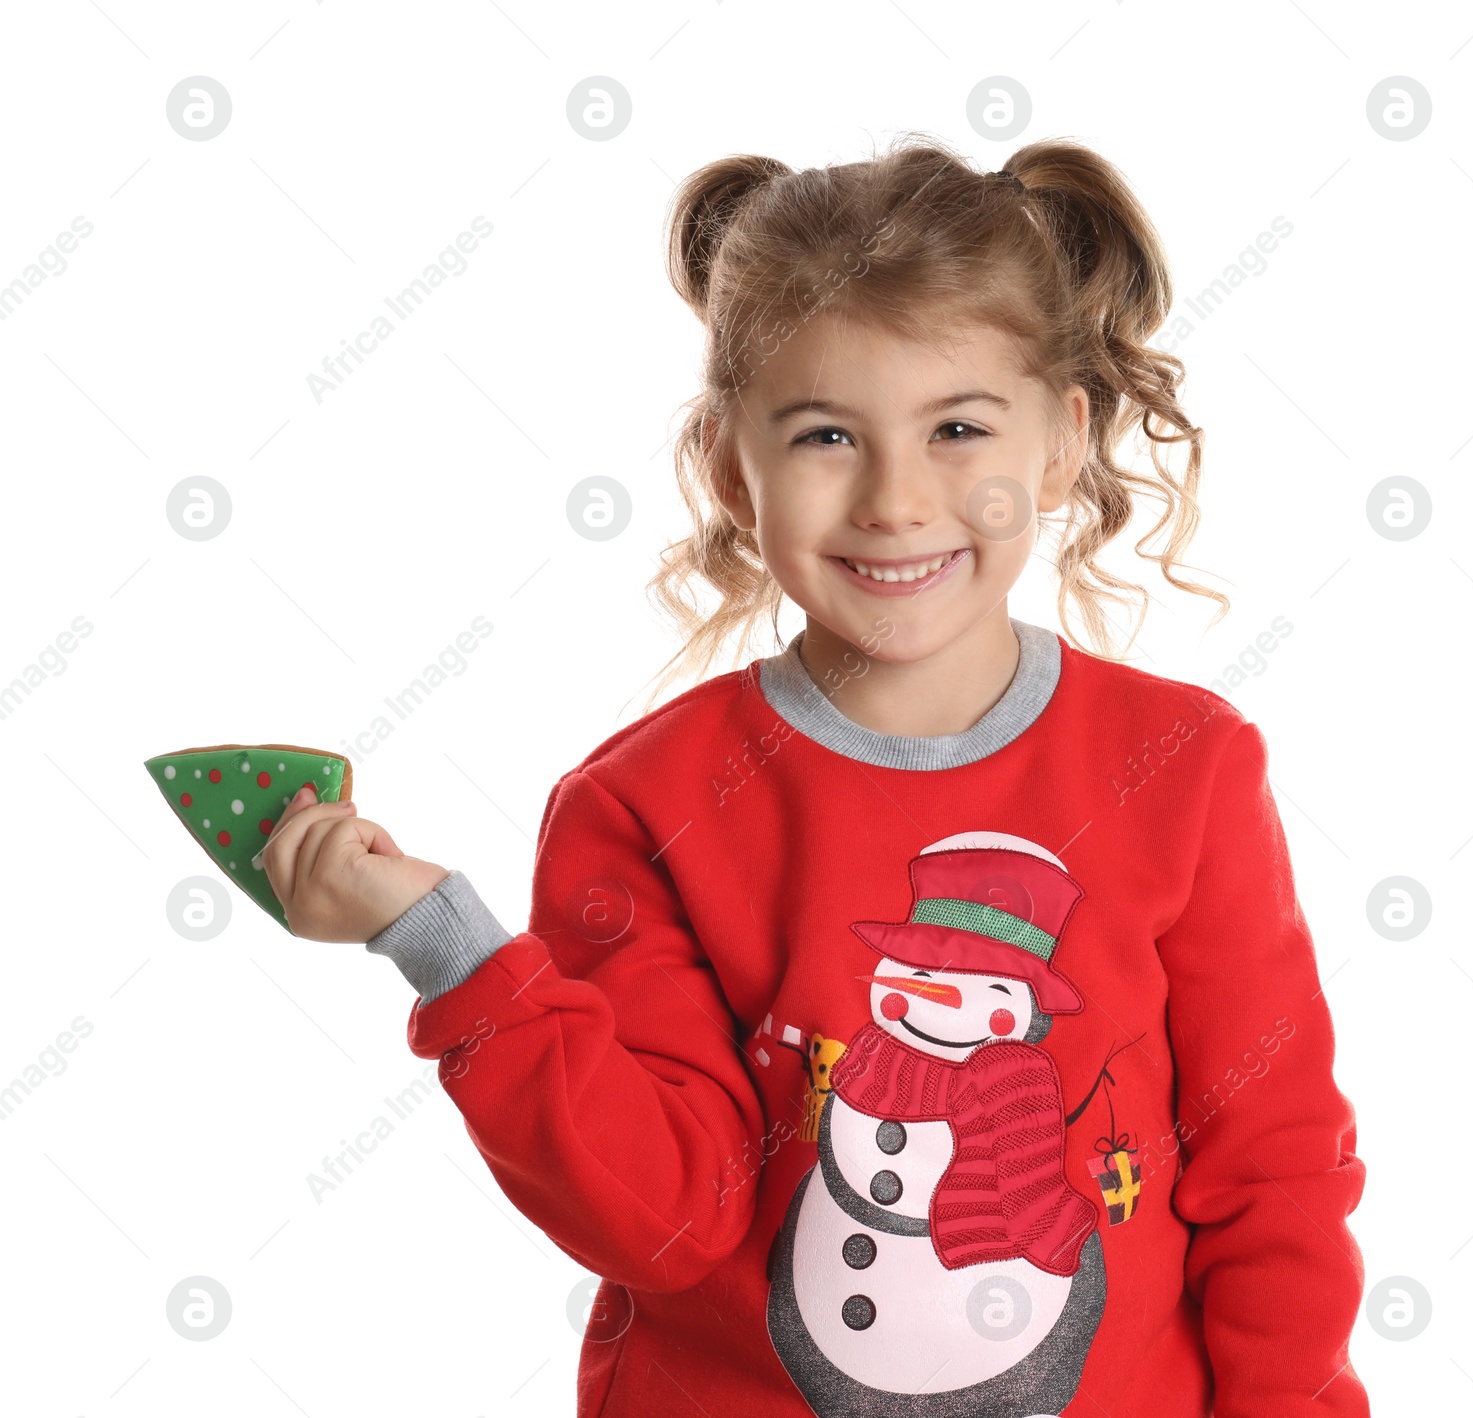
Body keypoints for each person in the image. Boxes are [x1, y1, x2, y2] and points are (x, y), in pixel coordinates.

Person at [259, 133, 1368, 1417]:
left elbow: (1271, 1167)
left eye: (958, 426)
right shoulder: (641, 806)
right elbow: (664, 1221)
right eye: (827, 434)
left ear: (1060, 447)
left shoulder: (1186, 770)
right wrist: (443, 945)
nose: (896, 499)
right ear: (733, 467)